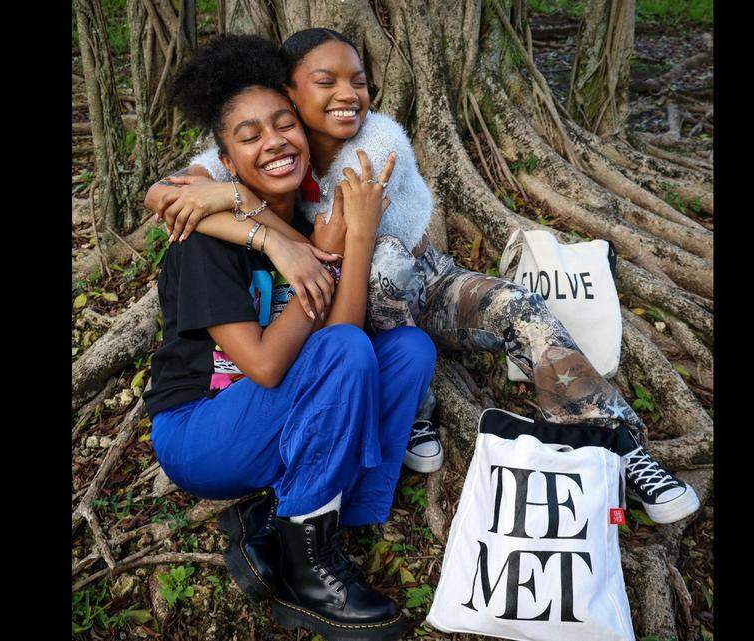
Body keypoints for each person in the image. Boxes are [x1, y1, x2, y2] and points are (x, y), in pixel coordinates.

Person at [148, 29, 699, 526]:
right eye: (326, 81)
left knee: (509, 303)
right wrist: (236, 200)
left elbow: (327, 245)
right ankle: (409, 412)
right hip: (354, 296)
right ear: (288, 92)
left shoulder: (374, 144)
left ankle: (619, 443)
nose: (347, 94)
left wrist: (241, 202)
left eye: (359, 82)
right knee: (376, 292)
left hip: (421, 278)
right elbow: (164, 196)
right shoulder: (267, 139)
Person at [143, 34, 433, 640]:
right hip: (202, 430)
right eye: (249, 137)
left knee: (408, 351)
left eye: (284, 125)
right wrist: (303, 250)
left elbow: (346, 332)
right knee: (346, 350)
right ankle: (308, 576)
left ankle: (311, 526)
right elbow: (268, 367)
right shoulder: (202, 238)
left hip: (270, 415)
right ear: (225, 161)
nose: (274, 142)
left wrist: (350, 241)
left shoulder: (306, 213)